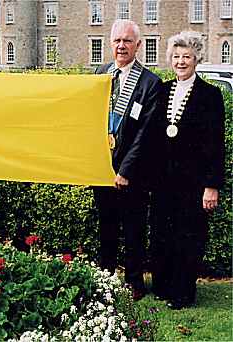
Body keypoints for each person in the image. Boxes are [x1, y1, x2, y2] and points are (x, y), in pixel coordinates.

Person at [150, 31, 225, 309]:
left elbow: (215, 143)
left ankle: (183, 292)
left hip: (193, 183)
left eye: (187, 57)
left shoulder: (210, 95)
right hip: (162, 180)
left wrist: (211, 185)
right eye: (177, 56)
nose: (181, 62)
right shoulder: (162, 89)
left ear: (197, 59)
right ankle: (164, 286)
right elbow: (152, 137)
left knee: (188, 236)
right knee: (163, 233)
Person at [92, 19, 161, 300]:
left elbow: (146, 134)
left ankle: (134, 282)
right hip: (101, 168)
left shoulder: (150, 83)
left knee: (133, 230)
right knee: (105, 227)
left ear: (138, 45)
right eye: (117, 41)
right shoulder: (101, 73)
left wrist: (125, 170)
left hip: (132, 172)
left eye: (127, 41)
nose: (122, 46)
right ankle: (105, 277)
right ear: (110, 43)